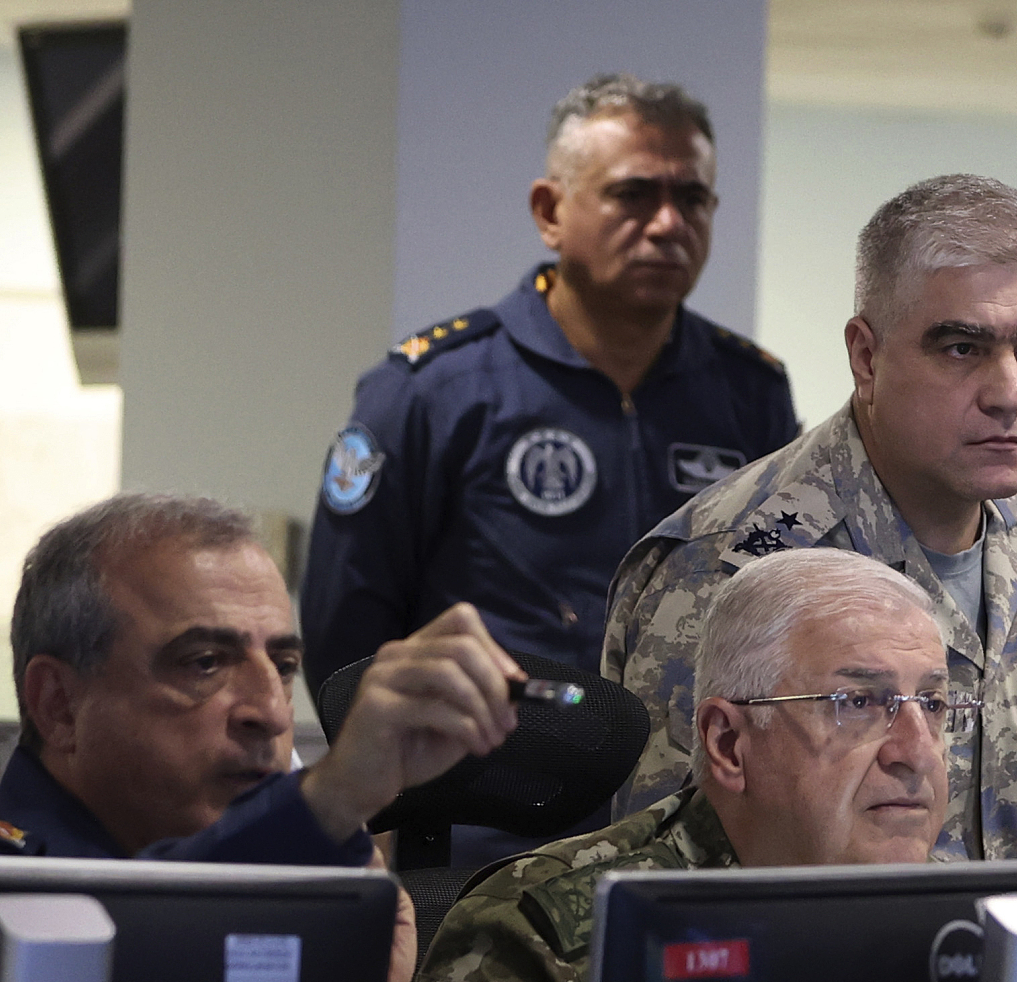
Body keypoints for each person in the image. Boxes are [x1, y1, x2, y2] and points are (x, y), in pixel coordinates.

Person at [4, 493, 534, 982]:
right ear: (58, 705)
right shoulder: (14, 899)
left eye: (282, 667)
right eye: (204, 662)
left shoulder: (294, 901)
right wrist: (333, 796)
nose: (270, 712)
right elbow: (118, 952)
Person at [603, 173, 1017, 860]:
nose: (1010, 393)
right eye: (963, 349)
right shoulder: (725, 565)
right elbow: (661, 873)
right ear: (866, 357)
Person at [413, 548, 961, 982]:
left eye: (932, 704)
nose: (916, 751)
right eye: (857, 703)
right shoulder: (552, 949)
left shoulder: (968, 926)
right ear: (728, 743)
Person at [301, 72, 797, 699]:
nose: (669, 223)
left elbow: (779, 605)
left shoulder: (749, 393)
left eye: (692, 199)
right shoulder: (432, 389)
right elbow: (346, 639)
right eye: (634, 194)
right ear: (549, 211)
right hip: (486, 783)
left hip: (683, 787)